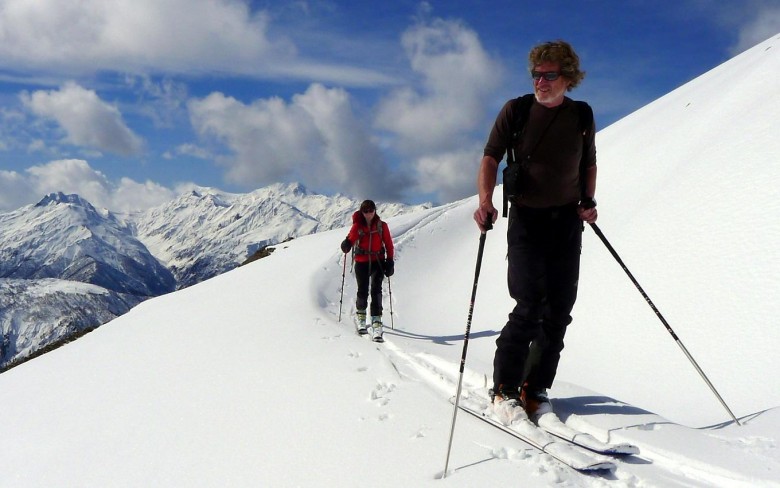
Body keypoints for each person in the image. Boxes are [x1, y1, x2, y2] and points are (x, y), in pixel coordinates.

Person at [473, 40, 598, 424]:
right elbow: (490, 157)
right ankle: (504, 388)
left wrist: (588, 200)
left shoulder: (581, 115)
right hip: (526, 219)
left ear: (568, 77)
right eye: (536, 74)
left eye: (549, 75)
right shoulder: (517, 110)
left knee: (559, 309)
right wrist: (485, 200)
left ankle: (535, 387)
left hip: (566, 221)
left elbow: (588, 162)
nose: (540, 81)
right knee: (529, 305)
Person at [340, 199, 395, 342]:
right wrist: (346, 244)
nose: (369, 213)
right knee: (362, 290)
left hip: (377, 262)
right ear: (362, 212)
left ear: (375, 210)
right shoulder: (358, 226)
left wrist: (390, 261)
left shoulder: (382, 226)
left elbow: (389, 244)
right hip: (361, 262)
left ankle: (377, 322)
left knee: (376, 291)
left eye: (371, 210)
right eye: (366, 211)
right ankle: (361, 318)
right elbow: (350, 240)